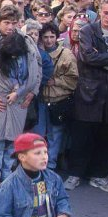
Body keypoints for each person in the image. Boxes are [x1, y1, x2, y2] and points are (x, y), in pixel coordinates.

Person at [65, 0, 108, 193]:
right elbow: (87, 56)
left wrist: (106, 59)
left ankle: (99, 175)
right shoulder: (87, 30)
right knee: (82, 135)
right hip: (88, 91)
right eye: (105, 12)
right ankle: (75, 174)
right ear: (99, 10)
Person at [0, 6, 42, 191]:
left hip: (19, 96)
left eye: (14, 23)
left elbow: (36, 69)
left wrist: (31, 92)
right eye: (6, 22)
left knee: (12, 141)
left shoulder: (26, 41)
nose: (10, 27)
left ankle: (8, 174)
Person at [36, 24, 78, 171]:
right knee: (39, 134)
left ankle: (51, 165)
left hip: (58, 100)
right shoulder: (36, 52)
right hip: (41, 100)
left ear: (57, 37)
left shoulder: (66, 54)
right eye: (45, 37)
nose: (48, 40)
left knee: (55, 135)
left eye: (52, 37)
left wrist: (56, 81)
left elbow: (73, 79)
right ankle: (37, 164)